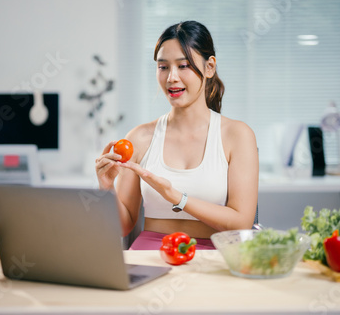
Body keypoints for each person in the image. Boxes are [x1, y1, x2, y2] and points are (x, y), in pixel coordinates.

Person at [95, 20, 259, 250]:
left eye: (183, 66)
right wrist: (106, 187)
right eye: (163, 67)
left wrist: (177, 197)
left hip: (215, 256)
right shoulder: (139, 138)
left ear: (209, 67)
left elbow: (241, 223)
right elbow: (123, 227)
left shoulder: (237, 135)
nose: (171, 77)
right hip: (149, 255)